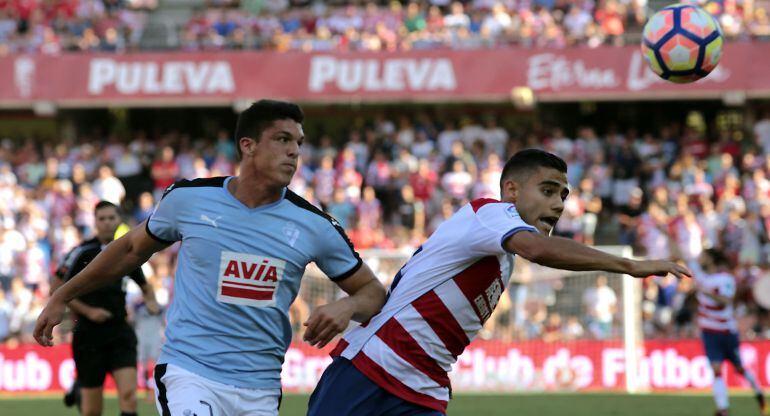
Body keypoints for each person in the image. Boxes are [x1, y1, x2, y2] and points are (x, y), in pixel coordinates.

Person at [35, 99, 387, 416]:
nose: (294, 151)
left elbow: (373, 293)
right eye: (282, 139)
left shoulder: (316, 225)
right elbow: (128, 250)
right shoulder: (189, 200)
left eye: (298, 142)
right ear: (247, 146)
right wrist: (62, 295)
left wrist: (346, 307)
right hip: (190, 373)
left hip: (260, 388)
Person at [308, 149, 691, 416]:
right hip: (374, 367)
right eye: (547, 191)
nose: (558, 204)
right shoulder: (489, 214)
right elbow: (539, 250)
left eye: (562, 194)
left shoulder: (502, 255)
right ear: (511, 191)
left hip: (424, 388)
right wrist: (628, 265)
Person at [52, 201, 160, 416]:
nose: (107, 223)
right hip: (89, 335)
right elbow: (57, 290)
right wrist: (88, 311)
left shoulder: (126, 253)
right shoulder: (82, 252)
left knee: (129, 396)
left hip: (120, 331)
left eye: (111, 218)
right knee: (92, 410)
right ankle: (80, 387)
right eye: (102, 218)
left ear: (118, 220)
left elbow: (146, 287)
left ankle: (78, 386)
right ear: (95, 221)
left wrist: (151, 301)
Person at [689, 248, 767, 416]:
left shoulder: (725, 279)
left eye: (704, 256)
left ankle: (759, 393)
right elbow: (682, 254)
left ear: (712, 260)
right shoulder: (702, 276)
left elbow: (725, 301)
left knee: (739, 368)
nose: (700, 258)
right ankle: (722, 409)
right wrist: (665, 233)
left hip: (726, 332)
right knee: (716, 369)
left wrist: (705, 293)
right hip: (709, 332)